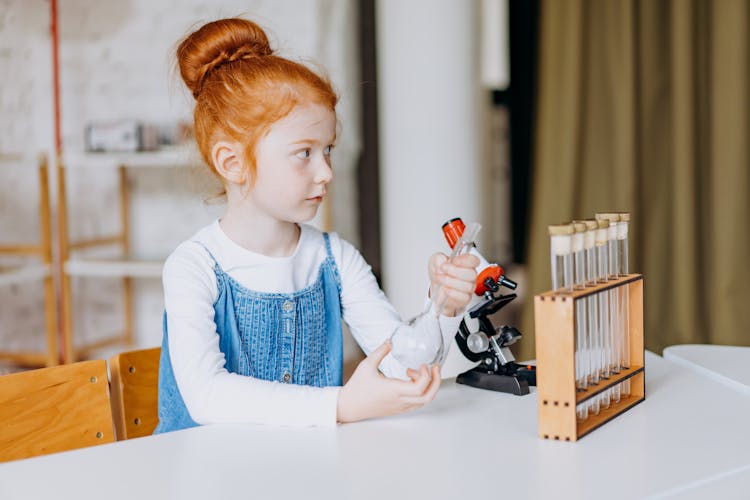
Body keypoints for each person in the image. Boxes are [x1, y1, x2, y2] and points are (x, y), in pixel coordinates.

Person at [155, 17, 479, 433]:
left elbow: (403, 365)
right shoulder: (193, 267)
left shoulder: (335, 258)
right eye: (303, 153)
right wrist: (342, 404)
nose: (326, 172)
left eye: (327, 150)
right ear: (232, 163)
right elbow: (208, 397)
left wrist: (443, 306)